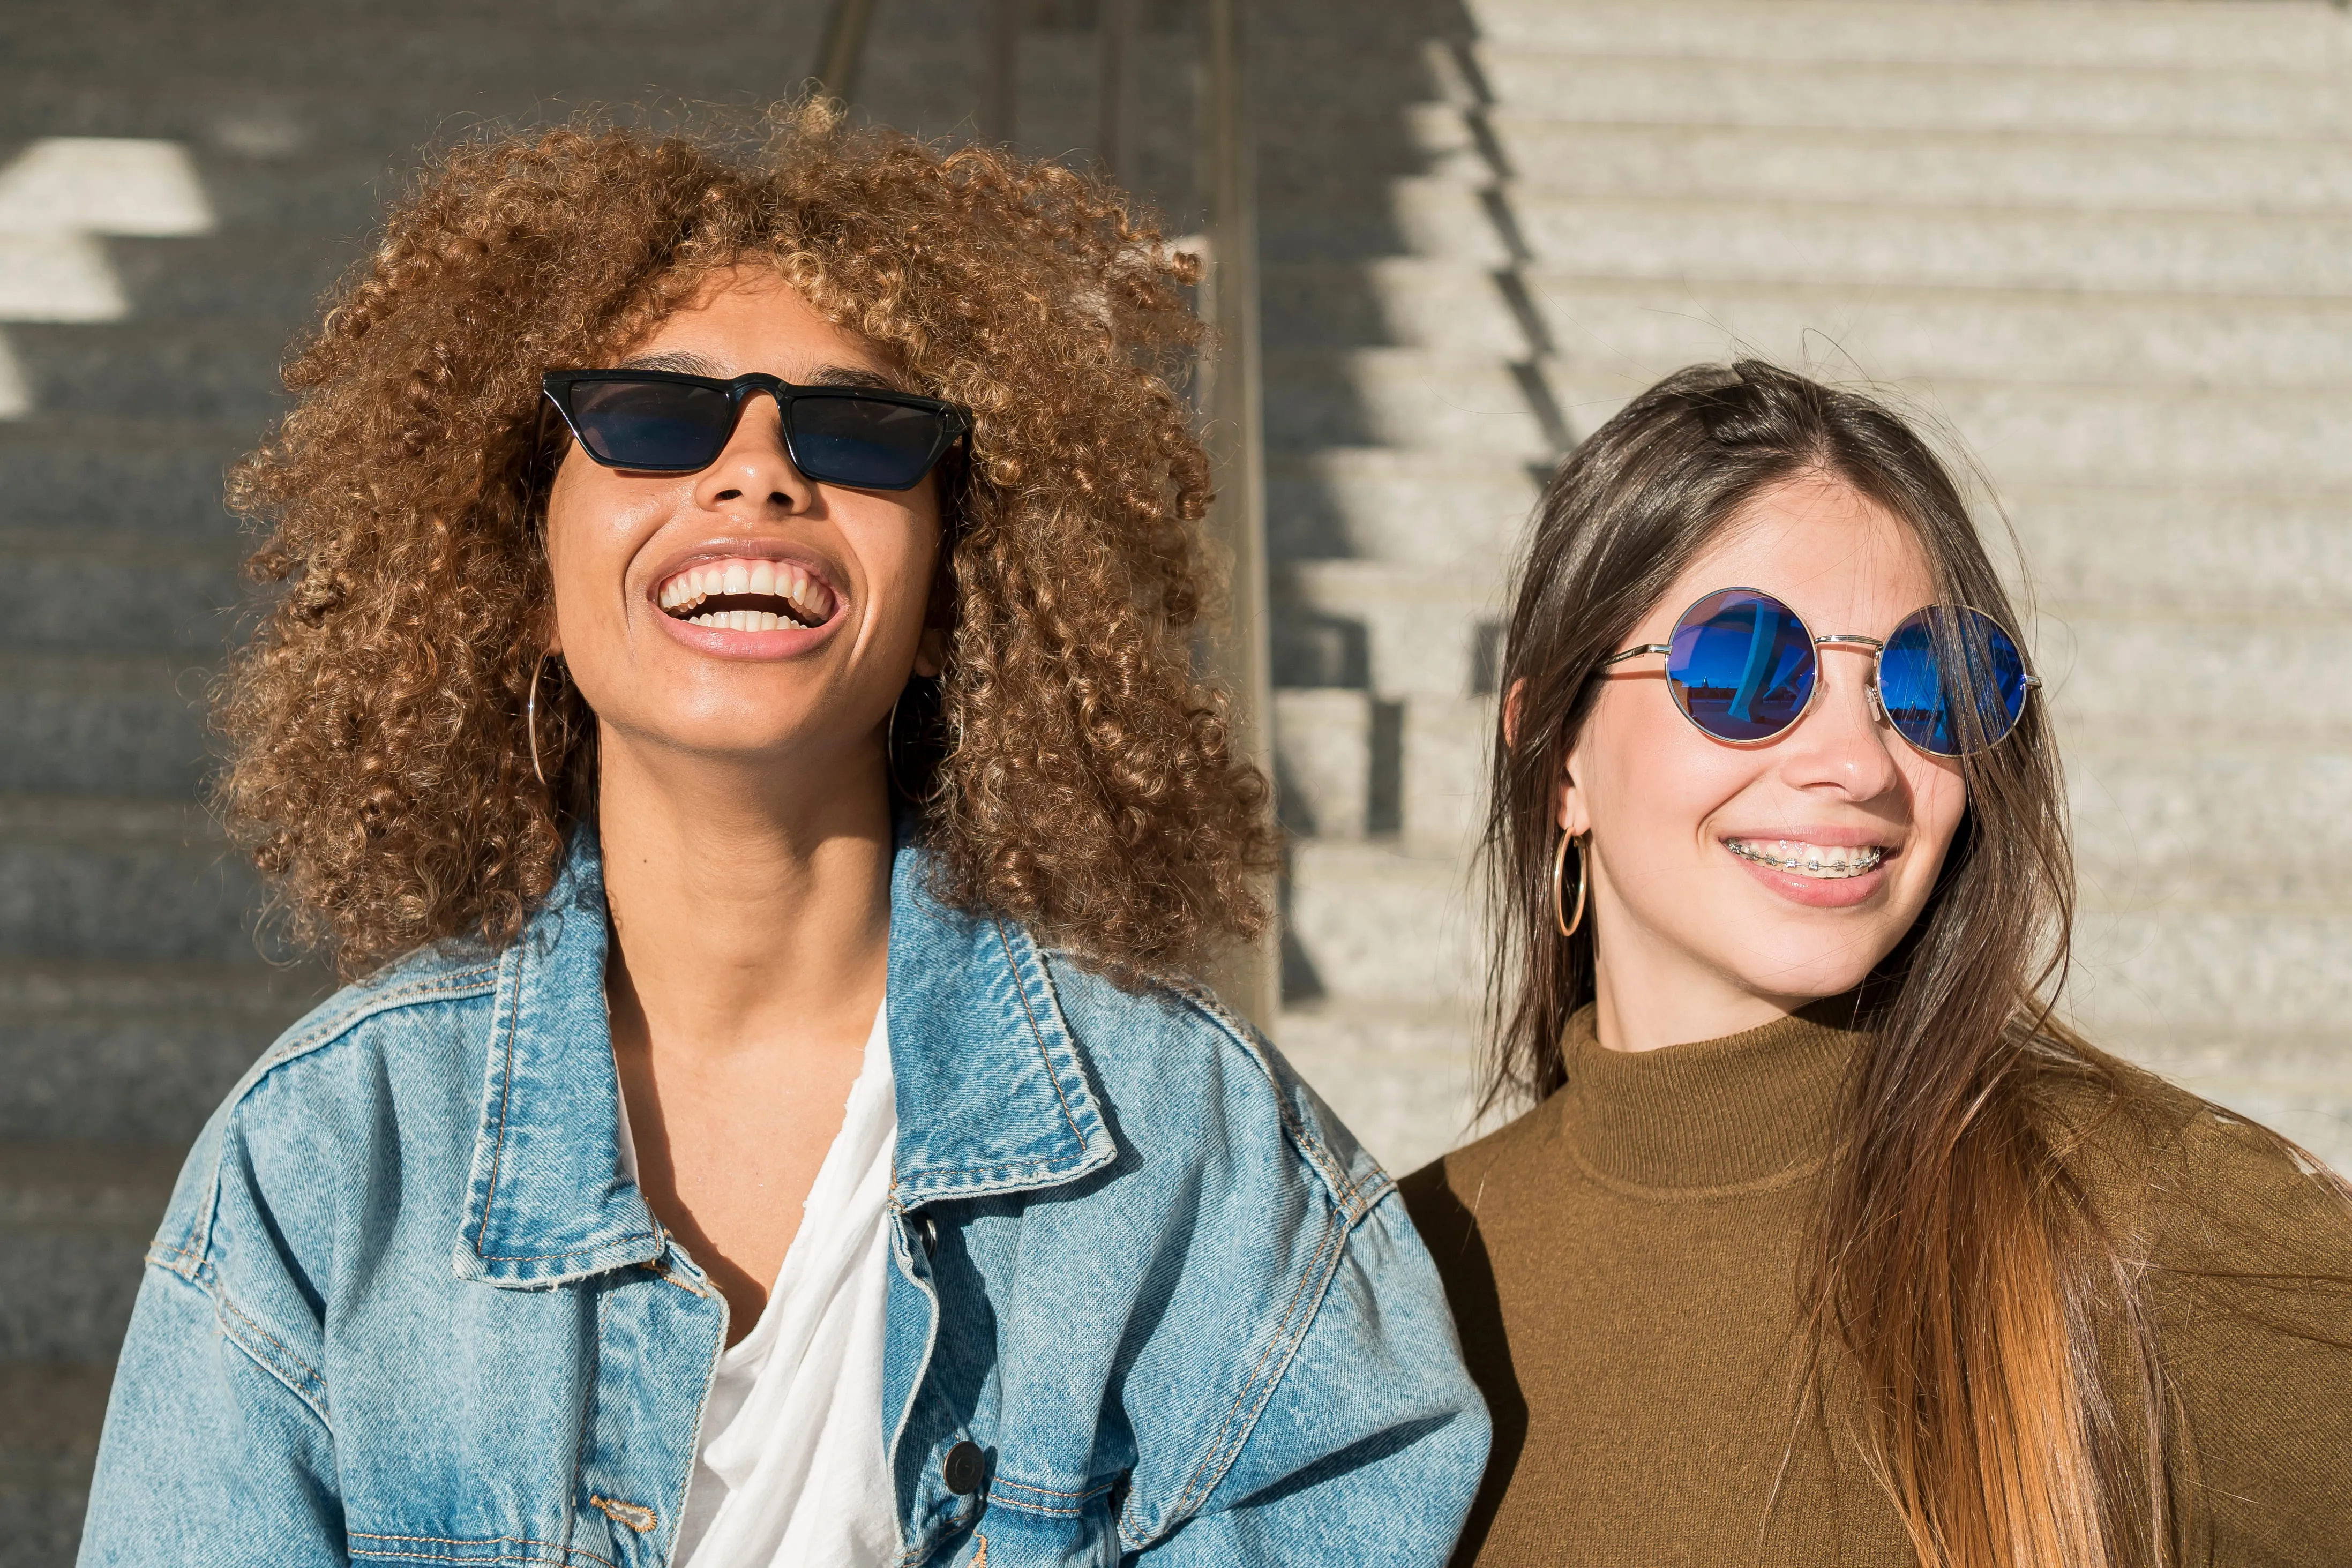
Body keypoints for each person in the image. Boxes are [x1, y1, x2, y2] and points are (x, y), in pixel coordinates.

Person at [79, 108, 1487, 1567]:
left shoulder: (1186, 1148)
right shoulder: (326, 1157)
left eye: (858, 432)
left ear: (947, 596)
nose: (756, 470)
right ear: (523, 577)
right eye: (650, 416)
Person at [1402, 361, 2352, 1568]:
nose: (1857, 762)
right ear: (1556, 756)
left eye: (1929, 684)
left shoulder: (2172, 1225)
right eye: (1744, 666)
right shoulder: (1391, 1280)